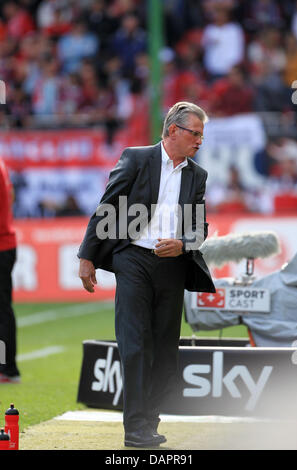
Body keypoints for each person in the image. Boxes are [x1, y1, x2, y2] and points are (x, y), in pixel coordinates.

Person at [78, 101, 215, 448]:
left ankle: (149, 422)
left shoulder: (197, 175)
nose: (200, 140)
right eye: (194, 134)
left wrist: (183, 245)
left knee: (165, 350)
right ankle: (136, 429)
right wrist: (87, 256)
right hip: (133, 260)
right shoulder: (137, 158)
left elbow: (199, 227)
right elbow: (106, 207)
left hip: (172, 266)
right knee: (135, 343)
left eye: (201, 134)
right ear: (173, 131)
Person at [0, 158, 20, 384]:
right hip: (5, 243)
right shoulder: (3, 164)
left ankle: (7, 367)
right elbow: (11, 196)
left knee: (1, 311)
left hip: (1, 245)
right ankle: (6, 366)